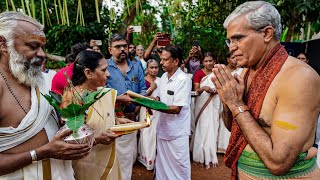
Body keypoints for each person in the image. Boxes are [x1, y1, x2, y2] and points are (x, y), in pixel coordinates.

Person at [212, 1, 320, 179]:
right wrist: (227, 100)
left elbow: (278, 163)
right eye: (229, 40)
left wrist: (236, 103)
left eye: (238, 38)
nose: (231, 47)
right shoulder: (246, 72)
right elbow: (235, 128)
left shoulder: (300, 78)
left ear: (267, 33)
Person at [0, 11, 91, 179]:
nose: (42, 54)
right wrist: (41, 153)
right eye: (33, 46)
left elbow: (58, 125)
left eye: (42, 47)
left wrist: (72, 121)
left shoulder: (44, 80)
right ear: (3, 44)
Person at [60, 50, 131, 180]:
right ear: (88, 73)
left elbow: (101, 118)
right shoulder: (72, 98)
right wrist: (97, 139)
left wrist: (116, 121)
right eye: (104, 70)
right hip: (86, 165)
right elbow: (70, 141)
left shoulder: (101, 93)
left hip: (108, 158)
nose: (108, 74)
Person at [106, 33, 146, 180]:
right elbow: (98, 91)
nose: (122, 49)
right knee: (111, 158)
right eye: (117, 47)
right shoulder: (104, 66)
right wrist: (118, 99)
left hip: (131, 119)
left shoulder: (136, 66)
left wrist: (137, 107)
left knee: (127, 158)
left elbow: (142, 89)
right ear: (110, 50)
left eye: (124, 46)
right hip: (111, 120)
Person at [154, 45, 192, 179]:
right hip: (163, 129)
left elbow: (176, 108)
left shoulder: (183, 79)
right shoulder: (163, 77)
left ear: (176, 61)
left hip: (178, 131)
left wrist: (153, 105)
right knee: (163, 165)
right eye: (161, 59)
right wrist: (144, 100)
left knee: (179, 166)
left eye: (165, 60)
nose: (161, 63)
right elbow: (158, 97)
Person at [191, 52, 220, 169]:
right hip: (202, 102)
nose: (208, 63)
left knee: (212, 126)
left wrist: (215, 90)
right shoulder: (198, 73)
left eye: (210, 61)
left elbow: (222, 87)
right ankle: (199, 155)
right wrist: (204, 88)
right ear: (202, 62)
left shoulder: (217, 73)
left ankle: (210, 154)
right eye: (206, 61)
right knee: (202, 127)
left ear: (214, 61)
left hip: (214, 102)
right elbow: (196, 90)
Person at [217, 52, 243, 154]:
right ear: (228, 59)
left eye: (236, 57)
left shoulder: (241, 71)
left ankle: (232, 147)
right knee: (223, 121)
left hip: (236, 100)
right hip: (221, 100)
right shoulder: (222, 70)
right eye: (232, 58)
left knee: (235, 121)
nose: (235, 60)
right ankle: (221, 146)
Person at [137, 59, 160, 170]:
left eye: (156, 67)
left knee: (156, 133)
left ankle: (156, 159)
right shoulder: (143, 81)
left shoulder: (161, 80)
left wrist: (157, 99)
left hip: (158, 111)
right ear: (147, 69)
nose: (154, 70)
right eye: (151, 67)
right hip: (145, 109)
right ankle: (146, 158)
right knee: (146, 132)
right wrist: (151, 89)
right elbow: (139, 97)